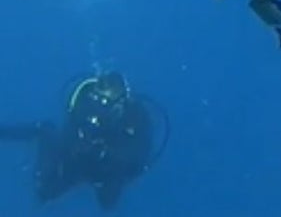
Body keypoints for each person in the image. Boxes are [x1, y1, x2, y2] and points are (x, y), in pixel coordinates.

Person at [0, 71, 166, 210]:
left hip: (109, 169)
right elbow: (69, 129)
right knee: (44, 191)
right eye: (99, 99)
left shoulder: (136, 117)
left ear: (123, 101)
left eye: (108, 103)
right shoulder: (85, 100)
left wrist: (105, 152)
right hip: (78, 160)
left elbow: (138, 153)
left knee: (108, 204)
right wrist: (76, 145)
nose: (102, 106)